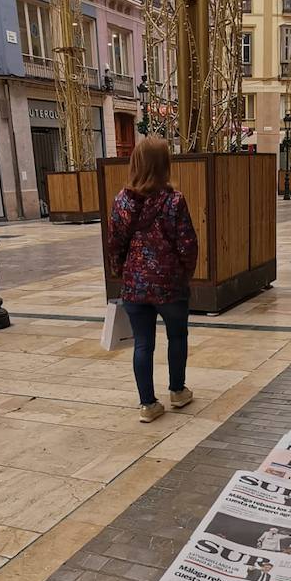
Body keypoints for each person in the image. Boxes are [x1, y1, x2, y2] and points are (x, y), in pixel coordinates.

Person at [108, 136, 198, 423]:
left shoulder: (121, 201)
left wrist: (120, 271)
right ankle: (177, 391)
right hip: (169, 285)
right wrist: (186, 273)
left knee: (143, 343)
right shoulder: (173, 200)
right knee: (177, 336)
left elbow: (115, 244)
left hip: (134, 286)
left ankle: (147, 404)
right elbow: (187, 243)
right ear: (164, 165)